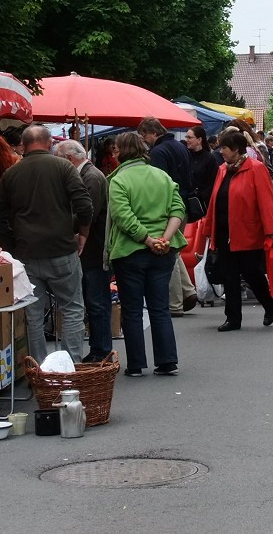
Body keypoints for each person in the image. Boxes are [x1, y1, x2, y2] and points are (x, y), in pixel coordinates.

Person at [0, 124, 93, 363]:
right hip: (61, 250)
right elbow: (85, 205)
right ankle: (70, 366)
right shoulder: (64, 167)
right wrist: (82, 233)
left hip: (26, 253)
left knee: (32, 315)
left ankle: (39, 368)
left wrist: (11, 244)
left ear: (23, 145)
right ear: (49, 143)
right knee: (72, 310)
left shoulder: (12, 173)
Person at [106, 132, 186, 376]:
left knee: (131, 309)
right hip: (164, 250)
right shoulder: (162, 175)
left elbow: (123, 216)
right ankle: (167, 361)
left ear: (121, 152)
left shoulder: (118, 180)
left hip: (130, 251)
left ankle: (136, 364)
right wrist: (165, 238)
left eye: (115, 150)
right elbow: (178, 208)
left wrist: (147, 239)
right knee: (159, 307)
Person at [203, 131, 273, 331]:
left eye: (225, 148)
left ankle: (270, 303)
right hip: (224, 231)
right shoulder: (222, 169)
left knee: (251, 272)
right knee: (228, 274)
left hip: (248, 230)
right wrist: (208, 226)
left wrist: (271, 231)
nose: (221, 152)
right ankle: (233, 318)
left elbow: (266, 202)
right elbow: (214, 200)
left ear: (236, 149)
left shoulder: (256, 169)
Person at [55, 140, 111, 363]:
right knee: (93, 300)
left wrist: (58, 224)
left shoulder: (92, 177)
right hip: (90, 249)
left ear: (69, 159)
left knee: (96, 300)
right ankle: (99, 347)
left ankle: (101, 349)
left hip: (94, 249)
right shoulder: (88, 175)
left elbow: (88, 213)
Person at [138, 117, 198, 315]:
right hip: (183, 205)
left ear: (154, 133)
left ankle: (175, 303)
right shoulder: (180, 147)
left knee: (167, 250)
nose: (144, 139)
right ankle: (188, 291)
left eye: (144, 135)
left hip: (168, 208)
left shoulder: (158, 152)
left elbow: (158, 185)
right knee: (173, 250)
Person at [185, 125, 219, 213]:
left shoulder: (209, 159)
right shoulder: (185, 155)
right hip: (185, 203)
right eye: (186, 137)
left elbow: (213, 183)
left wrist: (201, 196)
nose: (186, 140)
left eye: (189, 137)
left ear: (199, 140)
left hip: (202, 206)